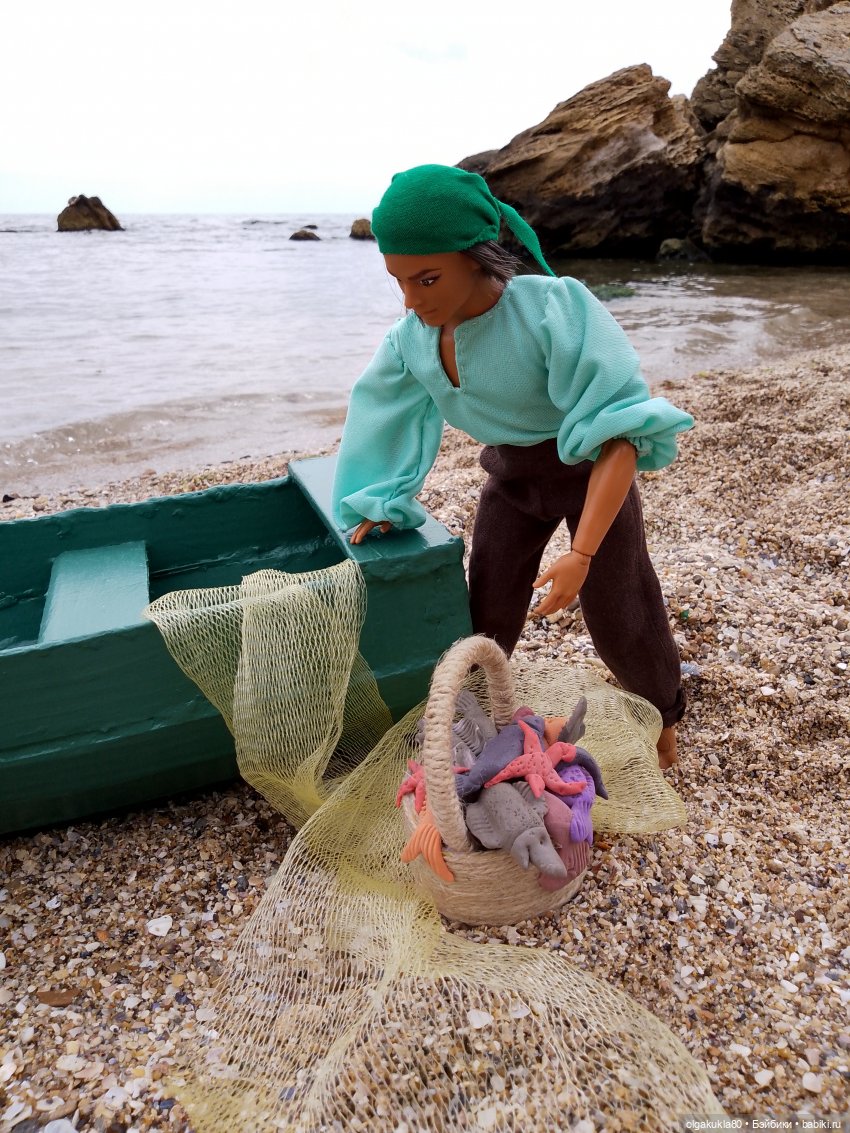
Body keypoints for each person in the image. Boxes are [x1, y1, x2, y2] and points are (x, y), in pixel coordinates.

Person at [331, 164, 692, 768]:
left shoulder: (554, 309)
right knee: (486, 609)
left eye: (427, 278)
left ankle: (662, 715)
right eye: (399, 281)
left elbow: (621, 435)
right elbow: (384, 417)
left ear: (477, 258)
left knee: (621, 611)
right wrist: (379, 500)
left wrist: (581, 556)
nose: (412, 300)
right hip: (511, 480)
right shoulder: (411, 340)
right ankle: (476, 720)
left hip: (588, 473)